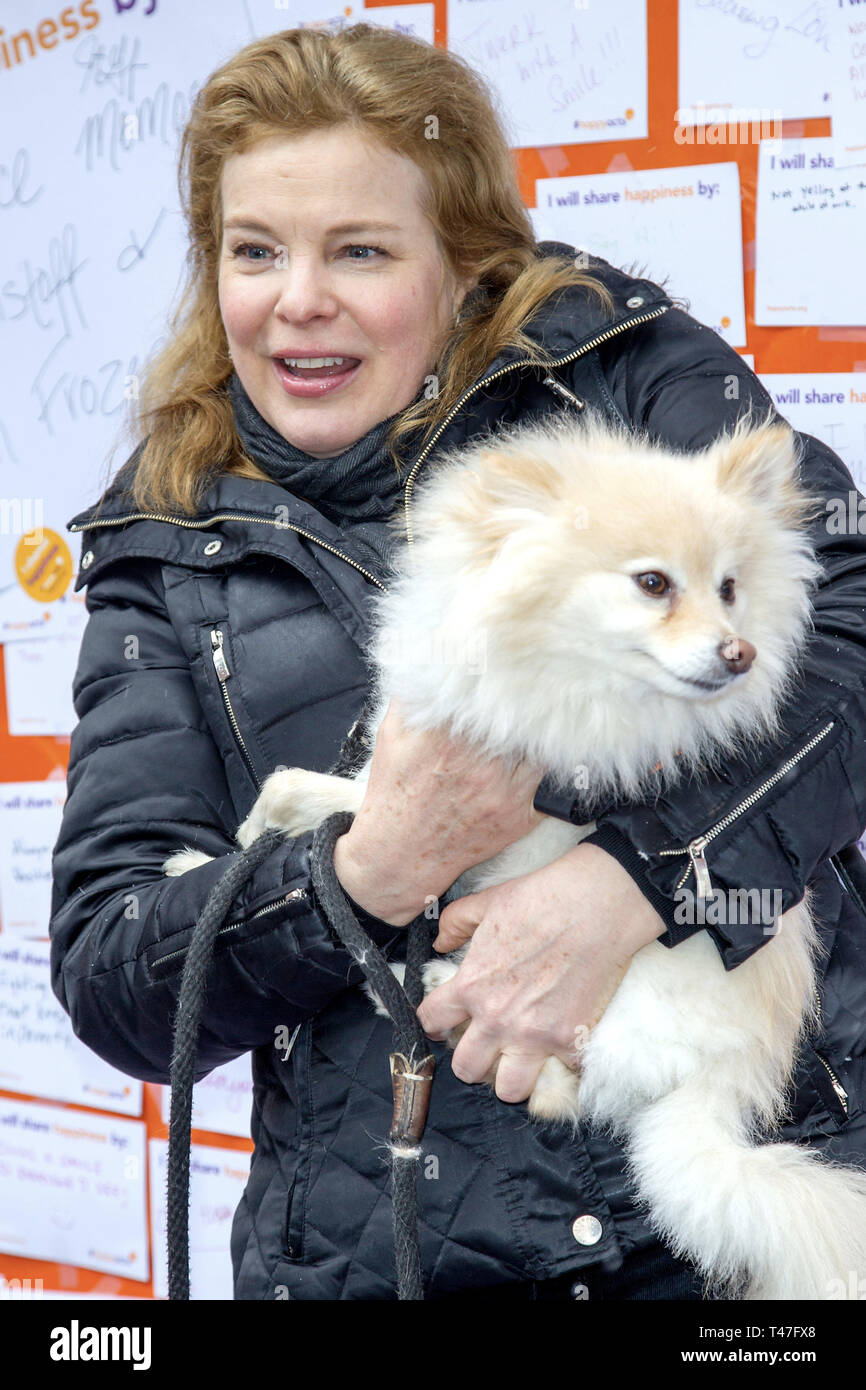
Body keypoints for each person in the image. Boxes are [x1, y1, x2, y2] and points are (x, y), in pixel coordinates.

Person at [49, 24, 866, 1302]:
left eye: (360, 251)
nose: (297, 299)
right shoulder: (166, 540)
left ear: (465, 261)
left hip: (707, 1241)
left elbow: (847, 638)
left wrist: (637, 880)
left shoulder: (624, 374)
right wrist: (371, 865)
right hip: (383, 1255)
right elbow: (117, 979)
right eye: (253, 250)